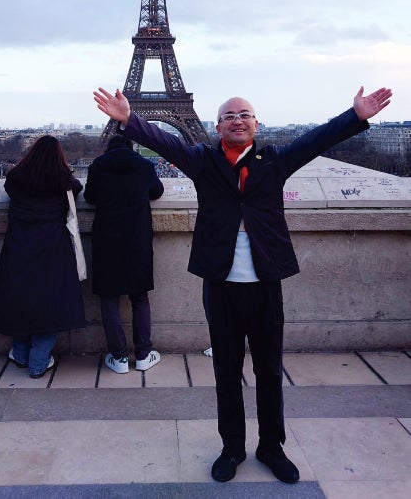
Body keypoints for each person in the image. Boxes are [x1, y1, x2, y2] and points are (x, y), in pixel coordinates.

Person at [93, 84, 392, 483]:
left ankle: (271, 446)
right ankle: (232, 447)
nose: (237, 120)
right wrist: (130, 119)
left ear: (256, 124)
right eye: (229, 116)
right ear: (217, 127)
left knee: (269, 371)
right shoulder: (202, 160)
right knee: (226, 372)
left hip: (265, 283)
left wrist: (355, 116)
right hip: (220, 285)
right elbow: (165, 142)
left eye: (244, 114)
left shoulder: (275, 160)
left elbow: (316, 140)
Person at [0, 135, 86, 378]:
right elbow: (77, 188)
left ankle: (20, 354)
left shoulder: (16, 179)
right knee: (48, 303)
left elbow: (10, 186)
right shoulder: (63, 180)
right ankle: (39, 361)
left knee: (20, 299)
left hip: (19, 246)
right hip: (52, 247)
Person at [84, 134, 164, 373]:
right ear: (132, 147)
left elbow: (90, 196)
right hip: (137, 238)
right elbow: (157, 191)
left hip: (106, 238)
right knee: (139, 296)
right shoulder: (144, 165)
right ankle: (143, 354)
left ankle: (118, 357)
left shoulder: (98, 166)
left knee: (109, 297)